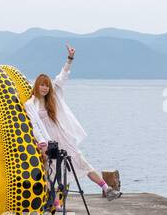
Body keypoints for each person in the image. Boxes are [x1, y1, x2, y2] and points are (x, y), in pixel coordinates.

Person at [24, 43, 122, 200]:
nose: (45, 88)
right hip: (49, 142)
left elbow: (62, 77)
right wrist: (42, 142)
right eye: (42, 85)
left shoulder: (53, 96)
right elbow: (34, 125)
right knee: (51, 172)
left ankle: (106, 188)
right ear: (36, 85)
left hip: (63, 135)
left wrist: (70, 59)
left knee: (81, 162)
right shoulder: (30, 104)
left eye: (47, 86)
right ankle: (54, 205)